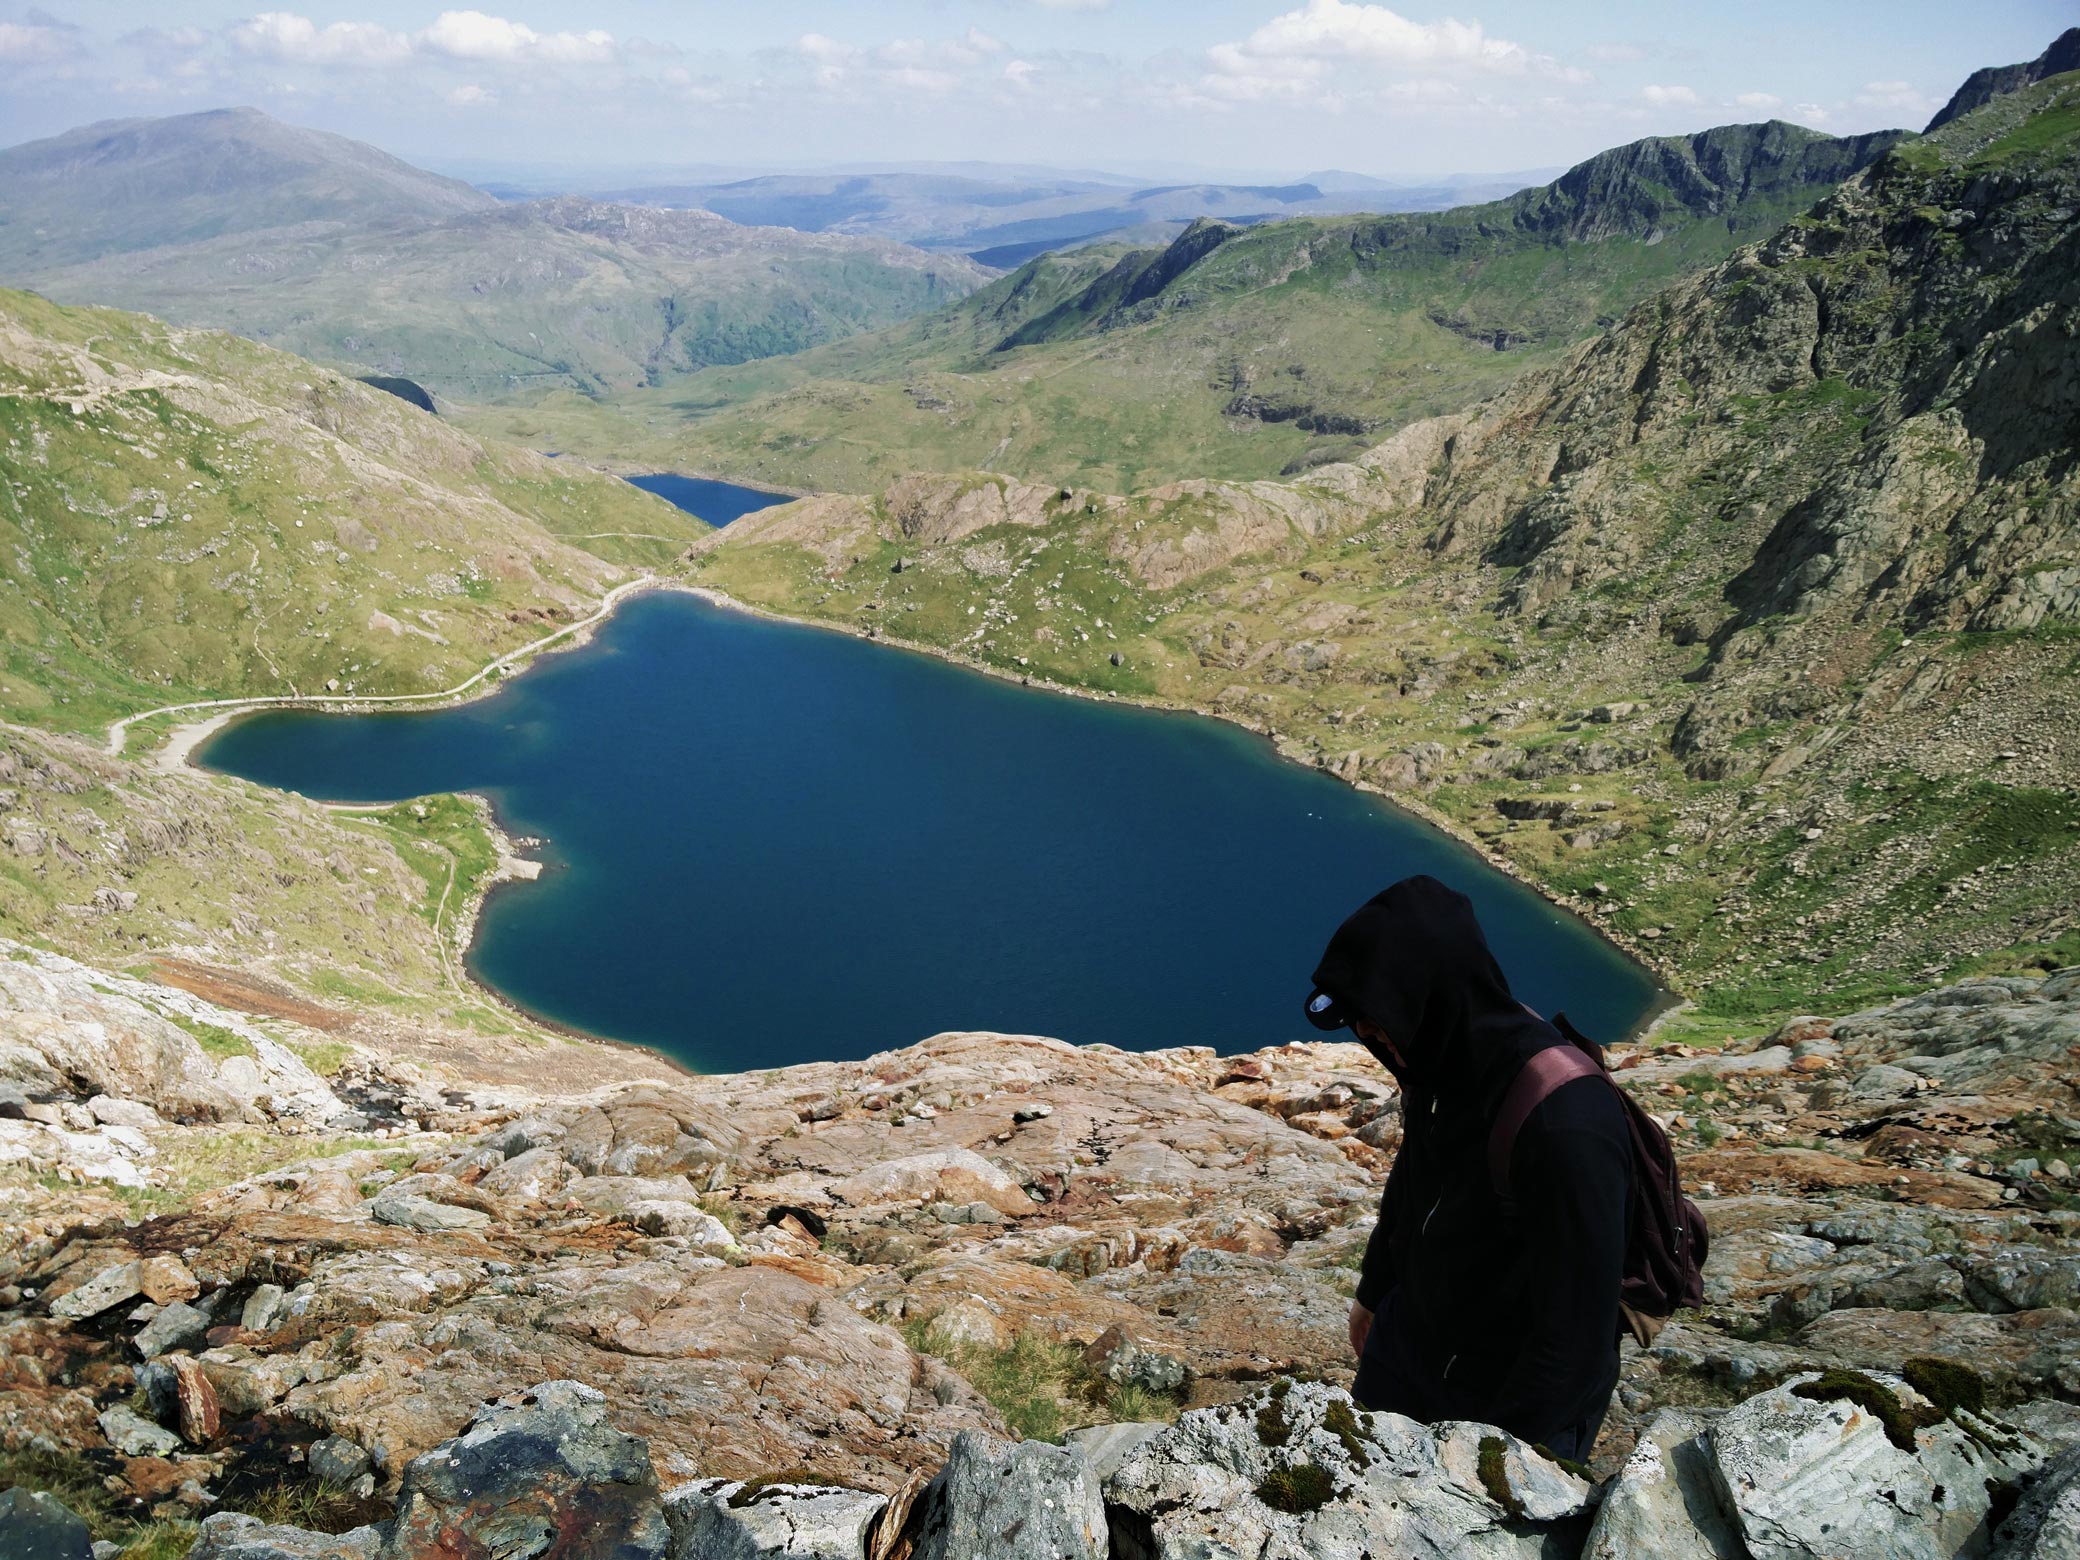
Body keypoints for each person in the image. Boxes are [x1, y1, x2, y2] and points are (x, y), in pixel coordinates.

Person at [1303, 874, 1631, 1463]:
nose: (1384, 1050)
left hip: (1507, 1397)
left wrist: (1490, 1466)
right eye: (1370, 1036)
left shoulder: (1566, 1123)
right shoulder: (1438, 1064)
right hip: (1410, 1352)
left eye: (1386, 1030)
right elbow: (1412, 1182)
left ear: (1437, 998)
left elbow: (1576, 1338)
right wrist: (1375, 1294)